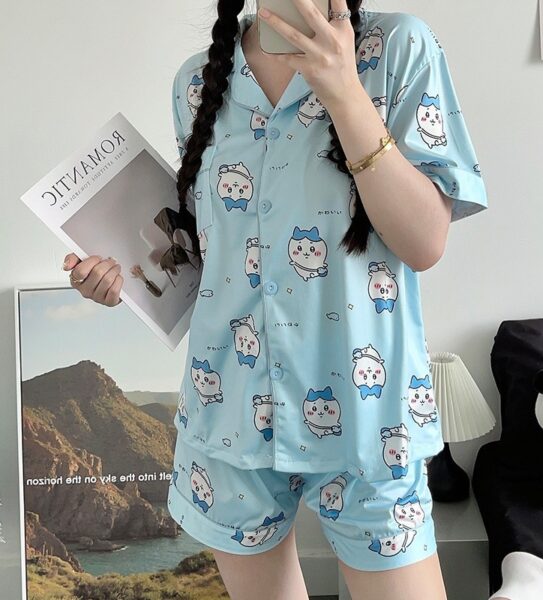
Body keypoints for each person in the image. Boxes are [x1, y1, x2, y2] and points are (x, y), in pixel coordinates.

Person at [64, 1, 488, 598]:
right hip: (229, 412)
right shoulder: (197, 83)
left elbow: (424, 244)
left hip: (369, 419)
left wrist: (344, 91)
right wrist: (123, 280)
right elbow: (218, 259)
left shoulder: (397, 48)